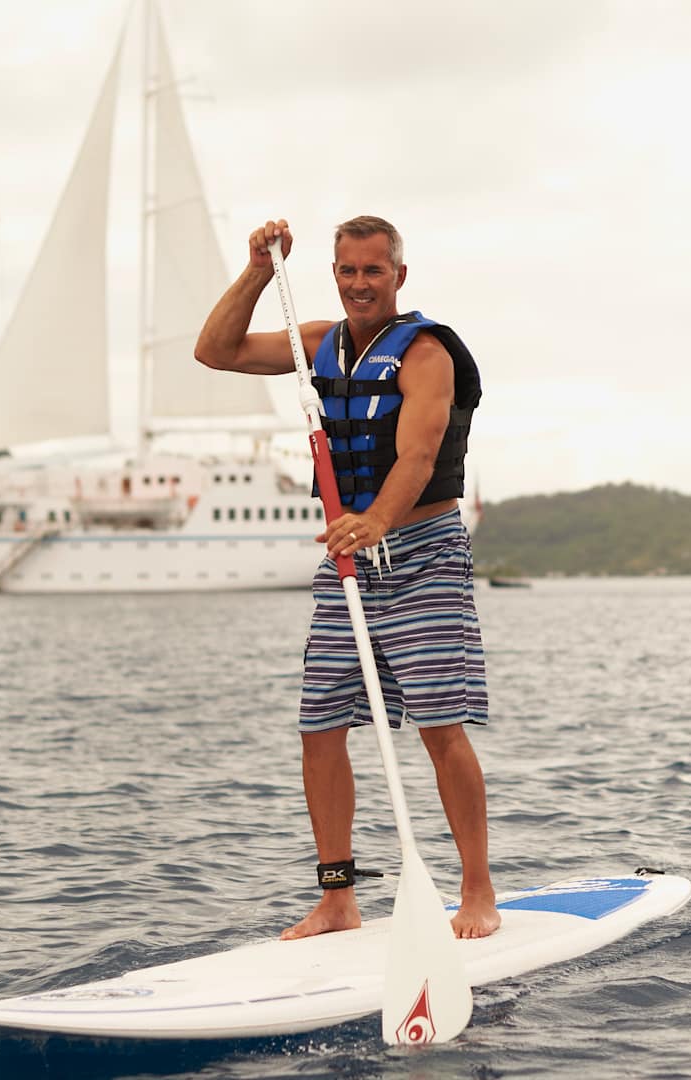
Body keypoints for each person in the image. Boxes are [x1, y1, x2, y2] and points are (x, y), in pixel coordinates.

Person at [193, 215, 497, 940]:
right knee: (320, 725)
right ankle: (338, 898)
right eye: (347, 272)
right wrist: (259, 273)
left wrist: (378, 521)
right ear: (333, 273)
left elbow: (418, 458)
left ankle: (478, 891)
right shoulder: (317, 342)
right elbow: (214, 351)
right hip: (348, 558)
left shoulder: (426, 355)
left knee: (439, 729)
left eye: (373, 271)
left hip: (420, 551)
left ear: (398, 275)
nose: (360, 285)